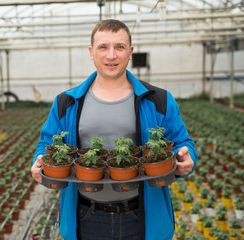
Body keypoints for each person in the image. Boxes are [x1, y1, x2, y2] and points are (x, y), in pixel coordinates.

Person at [31, 19, 197, 240]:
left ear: (130, 52)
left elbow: (183, 142)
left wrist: (187, 158)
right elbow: (46, 144)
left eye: (119, 47)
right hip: (86, 216)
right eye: (103, 47)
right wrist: (40, 158)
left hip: (141, 216)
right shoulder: (67, 102)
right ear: (91, 52)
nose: (111, 55)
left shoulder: (158, 100)